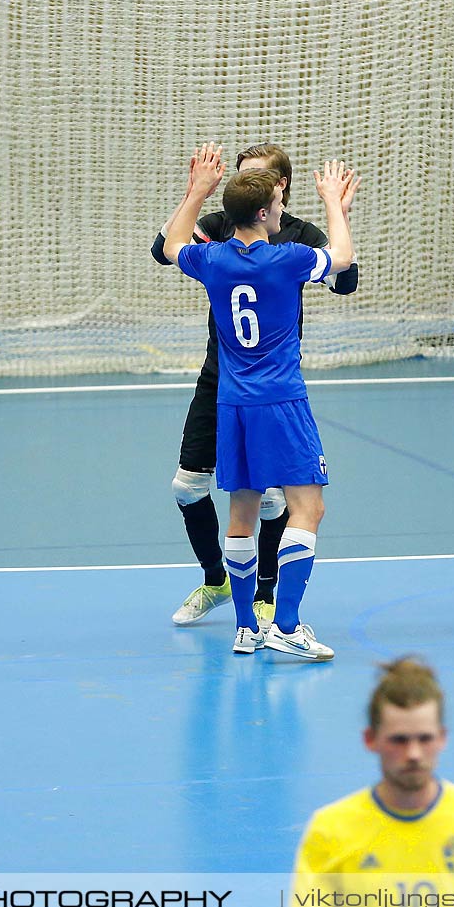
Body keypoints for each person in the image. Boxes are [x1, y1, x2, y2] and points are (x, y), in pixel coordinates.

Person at [152, 143, 358, 632]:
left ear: (278, 187)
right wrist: (338, 208)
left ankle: (253, 613)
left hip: (236, 394)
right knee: (298, 505)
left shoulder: (220, 255)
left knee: (251, 504)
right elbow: (342, 259)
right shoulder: (288, 256)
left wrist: (194, 193)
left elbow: (174, 247)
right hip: (265, 391)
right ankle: (281, 623)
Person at [289, 658, 454, 907]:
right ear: (370, 740)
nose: (413, 754)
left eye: (424, 738)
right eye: (399, 740)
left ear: (442, 738)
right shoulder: (330, 830)